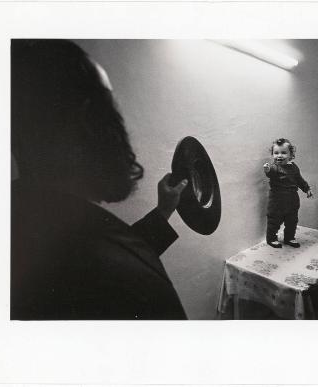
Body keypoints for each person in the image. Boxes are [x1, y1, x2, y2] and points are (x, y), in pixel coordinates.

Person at [11, 39, 188, 320]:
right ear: (85, 120)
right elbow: (109, 261)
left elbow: (86, 257)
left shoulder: (13, 215)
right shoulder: (127, 280)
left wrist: (163, 211)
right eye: (110, 109)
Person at [263, 138, 312, 248]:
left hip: (292, 201)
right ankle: (271, 239)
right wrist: (267, 169)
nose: (279, 155)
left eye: (283, 153)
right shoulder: (274, 167)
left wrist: (307, 189)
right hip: (277, 202)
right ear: (272, 155)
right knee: (274, 221)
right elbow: (271, 172)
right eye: (276, 153)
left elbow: (299, 180)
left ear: (291, 155)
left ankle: (289, 238)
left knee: (292, 221)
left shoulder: (294, 167)